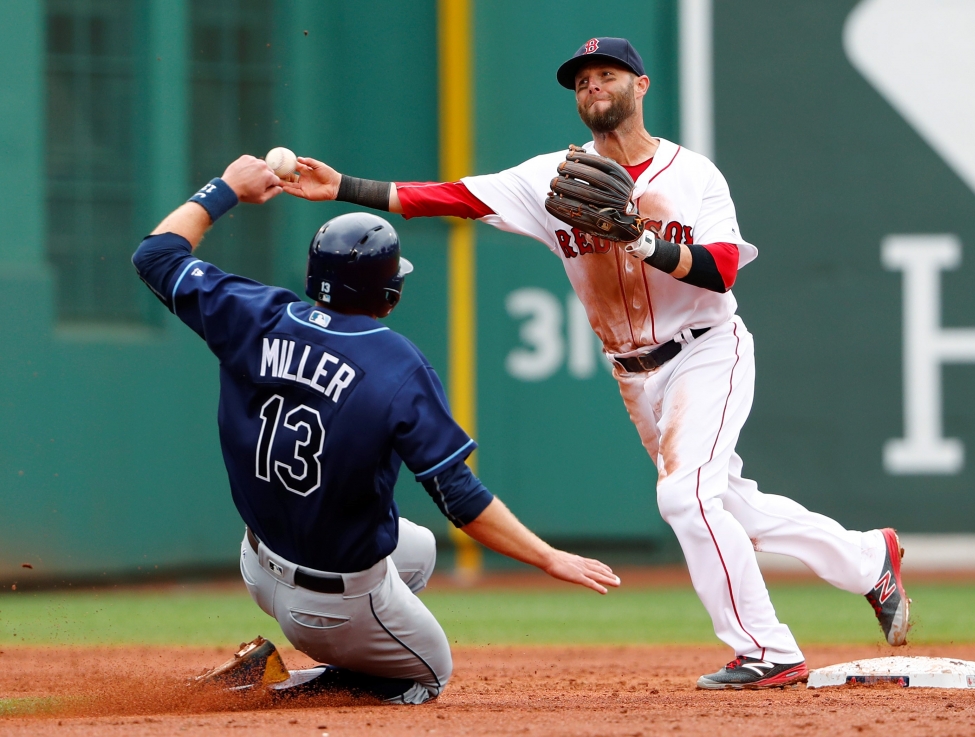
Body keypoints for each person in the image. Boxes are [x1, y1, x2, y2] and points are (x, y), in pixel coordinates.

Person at [280, 37, 910, 690]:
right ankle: (869, 558)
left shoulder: (692, 176)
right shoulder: (555, 179)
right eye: (581, 81)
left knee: (685, 497)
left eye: (606, 75)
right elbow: (457, 196)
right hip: (634, 374)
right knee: (728, 506)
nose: (592, 87)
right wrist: (344, 188)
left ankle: (766, 649)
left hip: (705, 350)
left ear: (640, 87)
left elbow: (721, 271)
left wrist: (637, 236)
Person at [132, 154, 619, 704]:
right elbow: (458, 495)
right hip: (327, 603)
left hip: (257, 562)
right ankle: (274, 690)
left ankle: (340, 643)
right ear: (391, 294)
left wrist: (225, 189)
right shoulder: (396, 365)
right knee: (429, 673)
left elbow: (155, 255)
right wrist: (549, 556)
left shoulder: (254, 312)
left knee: (416, 550)